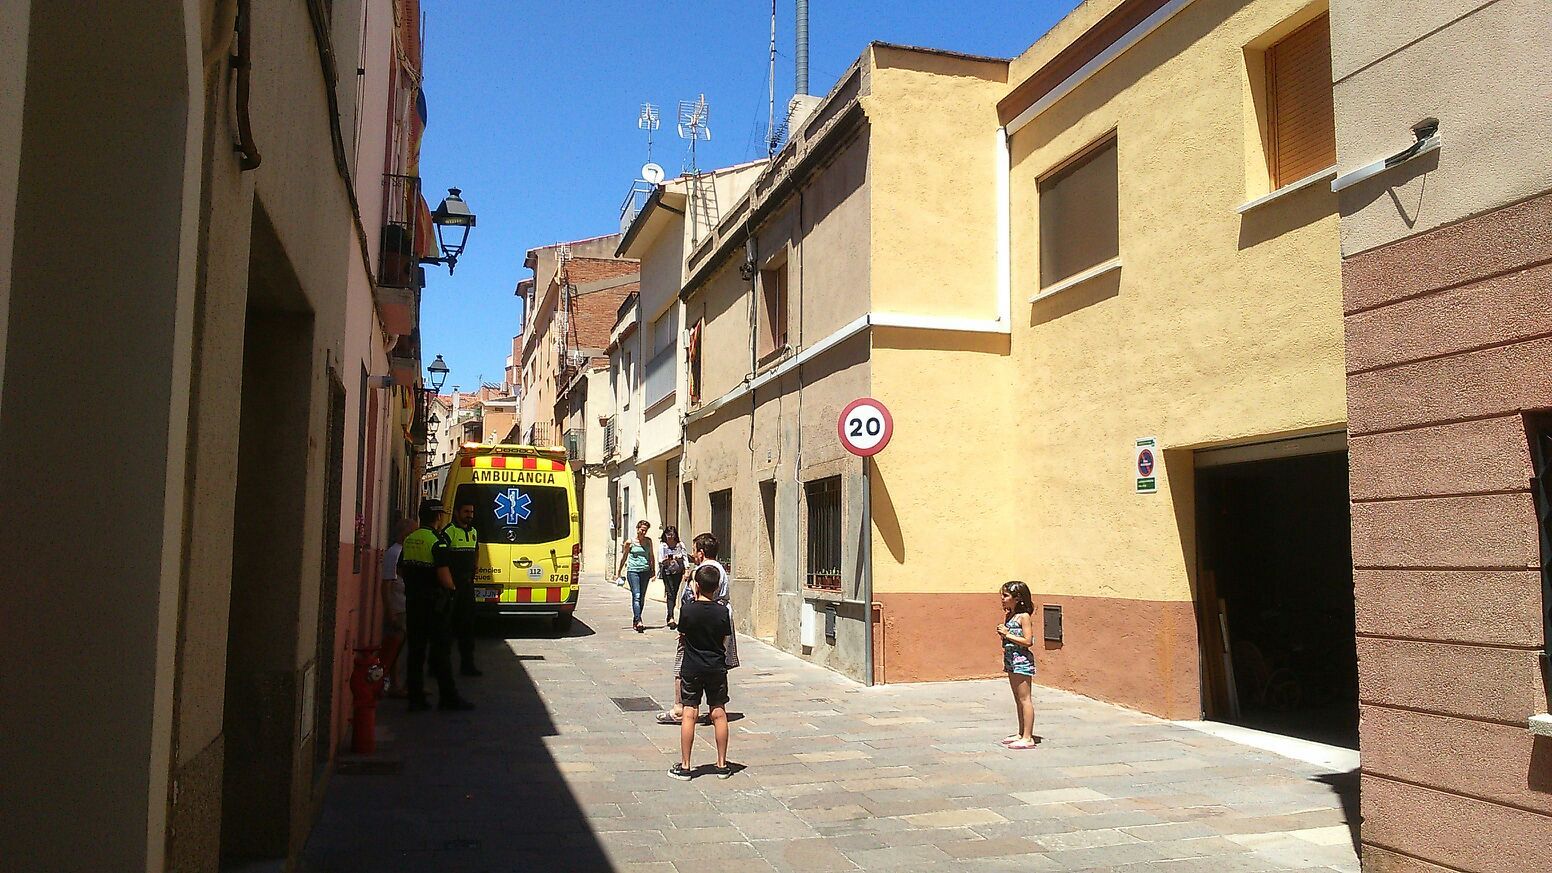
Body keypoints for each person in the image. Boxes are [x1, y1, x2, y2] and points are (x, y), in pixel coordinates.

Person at [657, 532, 736, 725]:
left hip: (700, 622)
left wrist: (685, 626)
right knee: (715, 665)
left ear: (701, 552)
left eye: (694, 550)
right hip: (712, 620)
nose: (693, 554)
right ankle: (714, 709)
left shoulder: (707, 570)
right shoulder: (716, 568)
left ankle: (681, 709)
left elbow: (697, 597)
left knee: (682, 665)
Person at [401, 501, 473, 712]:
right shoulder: (437, 541)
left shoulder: (410, 539)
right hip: (435, 606)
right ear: (438, 517)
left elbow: (402, 570)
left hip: (414, 603)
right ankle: (448, 697)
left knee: (415, 652)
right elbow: (444, 576)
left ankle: (415, 699)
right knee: (441, 652)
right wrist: (452, 591)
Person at [670, 564, 734, 780]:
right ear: (716, 588)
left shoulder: (688, 610)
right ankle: (722, 764)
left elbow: (682, 634)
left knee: (690, 712)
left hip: (692, 666)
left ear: (697, 585)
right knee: (718, 712)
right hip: (716, 667)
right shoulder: (723, 611)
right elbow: (725, 639)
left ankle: (686, 766)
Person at [441, 495, 482, 676]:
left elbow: (476, 551)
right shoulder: (449, 532)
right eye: (466, 512)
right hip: (451, 587)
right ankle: (439, 666)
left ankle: (468, 665)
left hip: (467, 586)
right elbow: (442, 559)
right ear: (457, 513)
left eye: (471, 512)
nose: (469, 515)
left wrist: (475, 567)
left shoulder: (473, 532)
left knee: (467, 628)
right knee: (446, 628)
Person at [997, 580, 1037, 749]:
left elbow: (1028, 641)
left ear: (1017, 597)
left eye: (1006, 596)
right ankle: (1021, 732)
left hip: (1021, 661)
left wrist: (1007, 634)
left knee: (1025, 698)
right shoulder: (1010, 616)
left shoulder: (1024, 617)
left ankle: (1028, 737)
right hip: (1011, 660)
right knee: (1017, 698)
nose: (1003, 599)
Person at [380, 517, 412, 697]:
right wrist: (390, 611)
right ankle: (391, 683)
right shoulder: (395, 553)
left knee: (399, 647)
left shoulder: (402, 551)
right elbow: (386, 585)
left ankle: (395, 683)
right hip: (398, 608)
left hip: (403, 605)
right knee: (394, 647)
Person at [615, 519, 654, 632]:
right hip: (633, 571)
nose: (643, 532)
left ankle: (636, 619)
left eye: (645, 531)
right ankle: (639, 620)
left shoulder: (648, 541)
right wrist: (619, 572)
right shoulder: (630, 542)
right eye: (642, 530)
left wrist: (653, 569)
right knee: (636, 595)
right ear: (637, 529)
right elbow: (624, 557)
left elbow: (651, 555)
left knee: (641, 597)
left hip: (645, 571)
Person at [658, 526, 689, 629]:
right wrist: (669, 559)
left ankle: (670, 615)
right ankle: (671, 617)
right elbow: (661, 559)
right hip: (667, 572)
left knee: (674, 592)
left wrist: (687, 570)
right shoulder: (663, 545)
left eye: (672, 535)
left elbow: (685, 558)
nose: (670, 537)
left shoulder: (680, 545)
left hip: (678, 572)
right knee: (670, 592)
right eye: (668, 535)